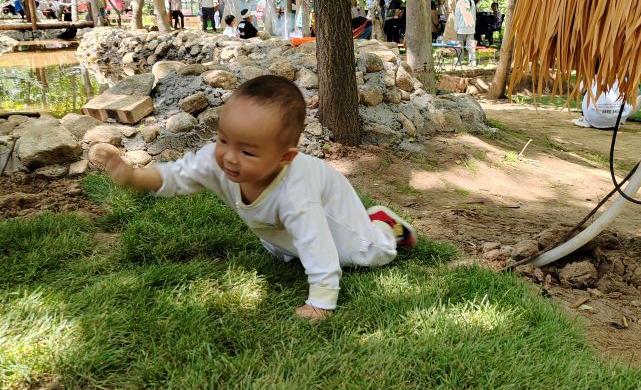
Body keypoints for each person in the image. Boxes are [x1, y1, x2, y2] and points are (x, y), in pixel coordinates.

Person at [99, 75, 416, 321]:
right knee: (288, 249)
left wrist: (321, 302)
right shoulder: (217, 159)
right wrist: (134, 177)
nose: (230, 158)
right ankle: (292, 245)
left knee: (366, 254)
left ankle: (385, 225)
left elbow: (317, 244)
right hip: (284, 229)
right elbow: (176, 175)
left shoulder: (295, 193)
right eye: (224, 139)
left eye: (247, 151)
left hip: (336, 219)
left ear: (285, 157)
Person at [572, 78, 641, 129]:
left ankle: (587, 118)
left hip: (593, 117)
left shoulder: (592, 77)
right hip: (614, 121)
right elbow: (636, 93)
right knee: (626, 100)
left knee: (587, 93)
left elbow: (580, 90)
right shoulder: (624, 79)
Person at [455, 0, 477, 66]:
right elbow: (474, 15)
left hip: (461, 28)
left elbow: (457, 16)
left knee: (459, 45)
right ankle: (472, 62)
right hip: (471, 27)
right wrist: (473, 26)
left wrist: (456, 27)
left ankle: (459, 62)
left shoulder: (459, 2)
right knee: (471, 45)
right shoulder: (472, 2)